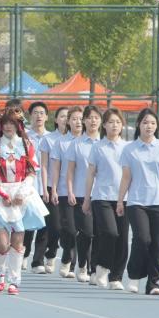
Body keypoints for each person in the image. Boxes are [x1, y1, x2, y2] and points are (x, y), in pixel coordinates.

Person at [0, 106, 47, 295]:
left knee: (18, 241)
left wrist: (22, 192)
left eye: (12, 123)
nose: (8, 126)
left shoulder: (27, 145)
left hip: (22, 194)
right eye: (5, 123)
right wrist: (1, 192)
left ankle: (14, 280)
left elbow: (32, 172)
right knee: (1, 243)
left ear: (18, 125)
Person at [116, 108, 159, 295]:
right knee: (142, 238)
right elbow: (126, 177)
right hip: (137, 201)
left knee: (158, 243)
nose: (149, 126)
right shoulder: (129, 149)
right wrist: (120, 201)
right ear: (139, 124)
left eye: (153, 123)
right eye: (145, 122)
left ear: (157, 126)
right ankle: (134, 276)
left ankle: (153, 283)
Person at [82, 108, 130, 290]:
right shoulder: (98, 147)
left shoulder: (127, 147)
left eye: (118, 122)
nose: (114, 125)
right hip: (102, 197)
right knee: (110, 233)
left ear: (122, 125)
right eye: (110, 122)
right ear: (104, 125)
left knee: (122, 239)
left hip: (124, 198)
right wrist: (87, 199)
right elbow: (90, 174)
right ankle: (102, 266)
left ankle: (116, 277)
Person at [63, 105, 102, 283]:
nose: (93, 121)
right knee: (86, 232)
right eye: (89, 118)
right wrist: (70, 191)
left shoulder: (104, 143)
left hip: (101, 195)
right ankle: (82, 265)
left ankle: (94, 269)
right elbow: (70, 171)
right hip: (80, 194)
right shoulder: (76, 144)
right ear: (84, 120)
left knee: (99, 234)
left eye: (96, 118)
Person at [50, 107, 83, 278]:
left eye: (81, 118)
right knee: (69, 229)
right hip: (64, 191)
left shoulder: (90, 142)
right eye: (74, 119)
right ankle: (66, 255)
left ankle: (72, 264)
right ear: (68, 121)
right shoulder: (61, 142)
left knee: (82, 230)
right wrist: (54, 189)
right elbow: (55, 168)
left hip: (85, 193)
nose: (78, 122)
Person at [37, 107, 69, 275]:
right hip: (52, 187)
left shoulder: (76, 140)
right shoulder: (48, 139)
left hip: (71, 189)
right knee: (53, 225)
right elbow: (43, 165)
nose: (66, 119)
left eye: (68, 116)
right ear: (56, 120)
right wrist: (45, 188)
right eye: (62, 116)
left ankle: (69, 260)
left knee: (69, 227)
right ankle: (47, 255)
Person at [24, 102, 52, 273]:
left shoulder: (52, 138)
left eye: (42, 113)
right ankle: (24, 251)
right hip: (29, 186)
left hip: (46, 187)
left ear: (47, 117)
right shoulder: (23, 137)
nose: (39, 116)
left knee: (45, 225)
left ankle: (38, 260)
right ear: (30, 116)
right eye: (35, 112)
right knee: (28, 222)